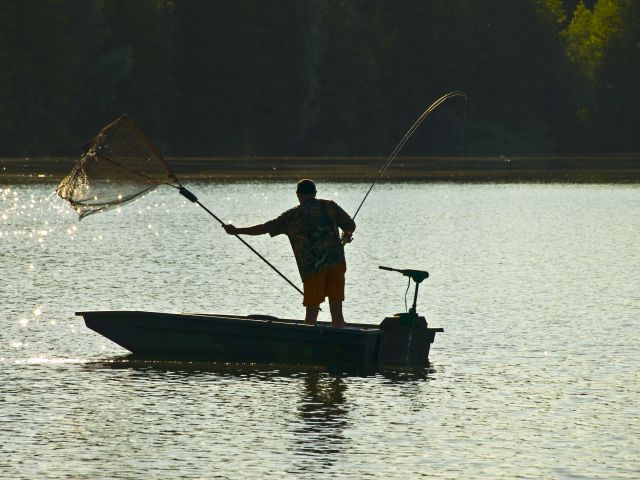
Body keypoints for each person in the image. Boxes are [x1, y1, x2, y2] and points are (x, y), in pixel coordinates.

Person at [223, 179, 356, 328]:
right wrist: (347, 233)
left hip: (313, 268)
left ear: (298, 195)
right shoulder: (329, 206)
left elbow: (265, 228)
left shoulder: (292, 216)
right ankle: (340, 344)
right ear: (315, 193)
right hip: (336, 264)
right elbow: (350, 225)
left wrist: (236, 231)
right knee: (337, 313)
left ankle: (308, 346)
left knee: (311, 314)